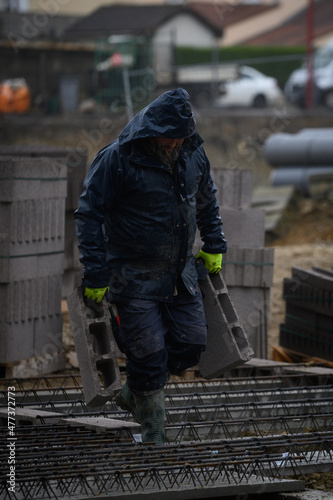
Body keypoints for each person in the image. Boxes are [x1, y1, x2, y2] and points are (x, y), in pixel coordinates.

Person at [75, 88, 227, 446]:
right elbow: (89, 214)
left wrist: (215, 245)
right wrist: (96, 273)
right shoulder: (117, 159)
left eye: (182, 136)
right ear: (152, 128)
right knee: (149, 353)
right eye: (170, 136)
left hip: (179, 273)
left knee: (191, 345)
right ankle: (154, 434)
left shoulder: (192, 152)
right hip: (132, 275)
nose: (175, 143)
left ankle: (133, 392)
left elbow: (206, 201)